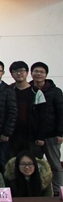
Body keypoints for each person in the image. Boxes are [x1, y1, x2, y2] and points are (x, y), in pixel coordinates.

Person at [29, 61, 63, 194]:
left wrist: (60, 133)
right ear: (31, 73)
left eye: (42, 72)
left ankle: (58, 191)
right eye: (36, 71)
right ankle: (39, 190)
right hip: (33, 135)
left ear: (46, 74)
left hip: (51, 134)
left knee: (55, 164)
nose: (39, 74)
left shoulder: (55, 91)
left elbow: (61, 113)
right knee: (34, 164)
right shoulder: (28, 89)